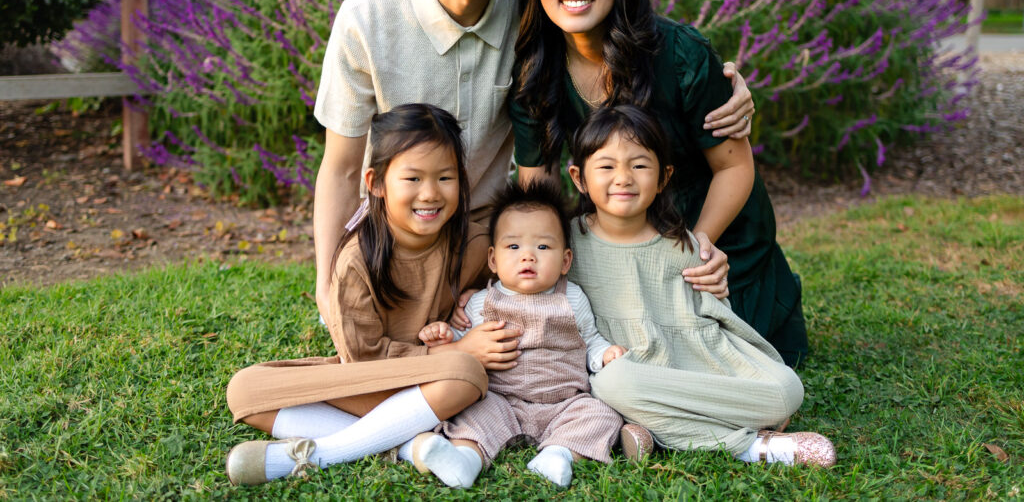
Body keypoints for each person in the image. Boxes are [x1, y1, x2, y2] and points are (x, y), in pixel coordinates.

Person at [311, 0, 751, 322]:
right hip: (398, 229)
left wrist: (728, 81)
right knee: (396, 339)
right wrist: (325, 283)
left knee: (474, 338)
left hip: (482, 234)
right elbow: (342, 169)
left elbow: (620, 23)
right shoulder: (367, 17)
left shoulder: (540, 0)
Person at [511, 0, 807, 365]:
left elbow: (733, 168)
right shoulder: (535, 70)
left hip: (710, 239)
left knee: (712, 357)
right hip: (619, 242)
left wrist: (697, 249)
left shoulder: (680, 53)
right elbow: (536, 185)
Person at [224, 104, 523, 485]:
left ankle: (324, 454)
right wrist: (456, 352)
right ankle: (407, 444)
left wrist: (476, 295)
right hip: (375, 382)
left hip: (441, 388)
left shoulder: (476, 244)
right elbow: (361, 358)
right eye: (412, 178)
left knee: (467, 375)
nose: (430, 194)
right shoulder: (356, 261)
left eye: (445, 177)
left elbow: (511, 286)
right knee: (246, 389)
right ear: (376, 182)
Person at [566, 105, 835, 466]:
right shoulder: (568, 243)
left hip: (694, 366)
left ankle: (650, 429)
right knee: (612, 384)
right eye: (606, 166)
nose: (624, 177)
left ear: (663, 177)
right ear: (579, 178)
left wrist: (719, 291)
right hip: (629, 370)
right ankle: (752, 446)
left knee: (787, 390)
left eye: (640, 165)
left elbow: (721, 327)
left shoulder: (685, 245)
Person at [410, 181, 649, 488]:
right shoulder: (482, 302)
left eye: (542, 247)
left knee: (600, 413)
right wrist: (446, 337)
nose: (528, 257)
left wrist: (604, 354)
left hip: (564, 402)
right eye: (514, 247)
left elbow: (590, 340)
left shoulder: (572, 297)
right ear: (493, 260)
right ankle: (465, 460)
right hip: (500, 401)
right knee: (471, 415)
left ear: (565, 261)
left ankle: (558, 455)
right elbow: (463, 346)